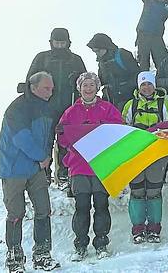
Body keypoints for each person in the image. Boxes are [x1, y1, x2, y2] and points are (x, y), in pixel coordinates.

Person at [56, 72, 122, 261]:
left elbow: (118, 130)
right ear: (79, 88)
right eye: (85, 85)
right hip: (78, 166)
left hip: (101, 165)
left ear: (97, 87)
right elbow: (62, 136)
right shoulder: (70, 112)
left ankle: (101, 244)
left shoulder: (107, 109)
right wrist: (70, 142)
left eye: (92, 85)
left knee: (101, 206)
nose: (88, 89)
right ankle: (81, 245)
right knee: (81, 207)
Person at [0, 71, 60, 272]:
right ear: (33, 88)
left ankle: (42, 255)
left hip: (36, 169)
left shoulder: (46, 108)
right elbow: (21, 138)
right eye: (46, 88)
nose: (51, 92)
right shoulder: (17, 108)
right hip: (14, 168)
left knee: (43, 210)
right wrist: (41, 157)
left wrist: (45, 159)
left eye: (52, 88)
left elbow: (48, 136)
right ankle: (15, 259)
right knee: (16, 213)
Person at [26, 28, 87, 184]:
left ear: (68, 43)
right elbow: (30, 80)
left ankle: (65, 171)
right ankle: (43, 172)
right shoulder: (42, 58)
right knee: (44, 139)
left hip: (69, 106)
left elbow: (85, 82)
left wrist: (76, 81)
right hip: (45, 106)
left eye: (63, 43)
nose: (60, 46)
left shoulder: (75, 60)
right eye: (57, 42)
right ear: (51, 42)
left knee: (66, 139)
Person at [122, 71, 168, 244]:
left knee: (153, 191)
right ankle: (137, 228)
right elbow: (123, 128)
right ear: (138, 86)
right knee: (136, 191)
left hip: (157, 154)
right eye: (143, 84)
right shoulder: (131, 105)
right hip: (135, 153)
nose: (146, 87)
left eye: (149, 84)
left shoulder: (163, 104)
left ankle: (154, 228)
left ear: (154, 85)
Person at [86, 33, 140, 111]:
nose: (97, 53)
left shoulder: (122, 54)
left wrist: (124, 88)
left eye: (98, 50)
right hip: (110, 100)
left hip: (128, 99)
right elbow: (101, 80)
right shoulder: (101, 62)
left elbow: (137, 75)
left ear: (105, 47)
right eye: (94, 51)